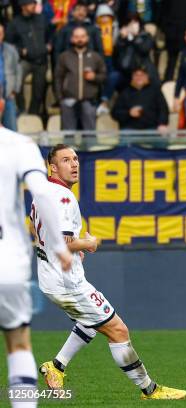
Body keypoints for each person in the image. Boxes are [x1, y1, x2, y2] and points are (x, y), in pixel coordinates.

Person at [35, 144, 186, 401]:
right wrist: (88, 244)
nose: (73, 164)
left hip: (51, 276)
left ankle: (56, 366)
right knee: (118, 330)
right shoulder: (63, 197)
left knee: (91, 323)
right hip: (66, 283)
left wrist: (70, 250)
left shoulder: (42, 192)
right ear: (53, 167)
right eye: (65, 160)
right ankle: (150, 390)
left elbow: (42, 233)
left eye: (75, 159)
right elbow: (63, 242)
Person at [0, 116, 72, 408]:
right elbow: (41, 193)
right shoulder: (20, 145)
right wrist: (60, 247)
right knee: (18, 344)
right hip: (8, 262)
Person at [54, 26, 106, 131]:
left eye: (82, 36)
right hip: (68, 100)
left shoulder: (96, 57)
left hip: (89, 100)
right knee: (68, 136)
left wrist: (94, 77)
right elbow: (58, 78)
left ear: (87, 38)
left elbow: (104, 76)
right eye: (76, 37)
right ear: (72, 39)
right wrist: (60, 99)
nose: (80, 39)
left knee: (90, 136)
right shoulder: (64, 57)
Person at [6, 0, 51, 116]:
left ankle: (33, 115)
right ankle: (22, 109)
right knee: (17, 82)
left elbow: (50, 34)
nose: (34, 6)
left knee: (39, 91)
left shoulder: (42, 19)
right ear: (23, 6)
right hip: (25, 60)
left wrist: (49, 46)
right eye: (31, 4)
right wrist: (20, 51)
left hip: (41, 60)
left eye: (35, 3)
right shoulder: (14, 23)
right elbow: (9, 44)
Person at [111, 66, 169, 133]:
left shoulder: (155, 91)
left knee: (162, 139)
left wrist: (162, 124)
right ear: (132, 77)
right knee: (124, 140)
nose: (139, 77)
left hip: (152, 129)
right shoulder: (125, 92)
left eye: (142, 75)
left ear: (147, 76)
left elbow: (163, 109)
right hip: (130, 130)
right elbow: (115, 113)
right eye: (136, 75)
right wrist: (129, 113)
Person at [0, 22, 22, 131]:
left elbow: (18, 70)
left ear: (3, 35)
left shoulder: (11, 50)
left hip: (8, 96)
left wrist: (15, 90)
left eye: (0, 34)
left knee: (12, 130)